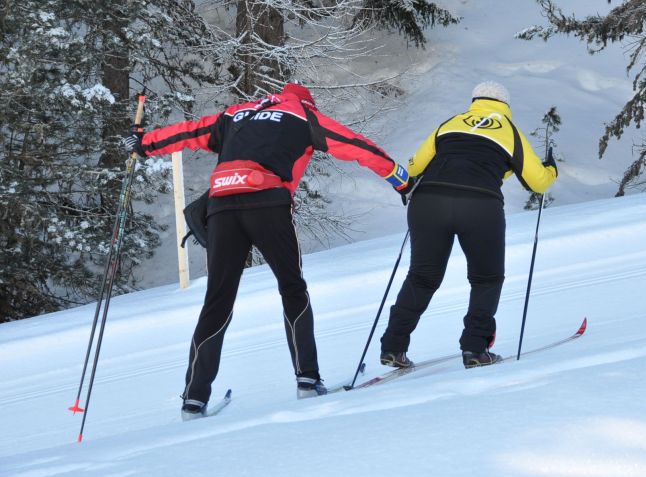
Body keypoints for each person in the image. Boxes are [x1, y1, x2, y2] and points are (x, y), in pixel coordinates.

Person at [123, 83, 412, 419]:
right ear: (306, 101)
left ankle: (193, 399)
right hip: (267, 203)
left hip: (221, 207)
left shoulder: (235, 113)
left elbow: (189, 132)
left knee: (217, 300)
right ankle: (307, 379)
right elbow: (356, 146)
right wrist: (400, 179)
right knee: (292, 288)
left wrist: (143, 144)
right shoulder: (304, 114)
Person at [379, 81, 557, 369]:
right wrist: (551, 169)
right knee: (486, 278)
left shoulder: (450, 124)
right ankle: (475, 349)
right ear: (505, 106)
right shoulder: (510, 132)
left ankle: (393, 347)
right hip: (479, 206)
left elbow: (413, 168)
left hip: (428, 202)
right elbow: (537, 182)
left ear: (474, 101)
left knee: (422, 277)